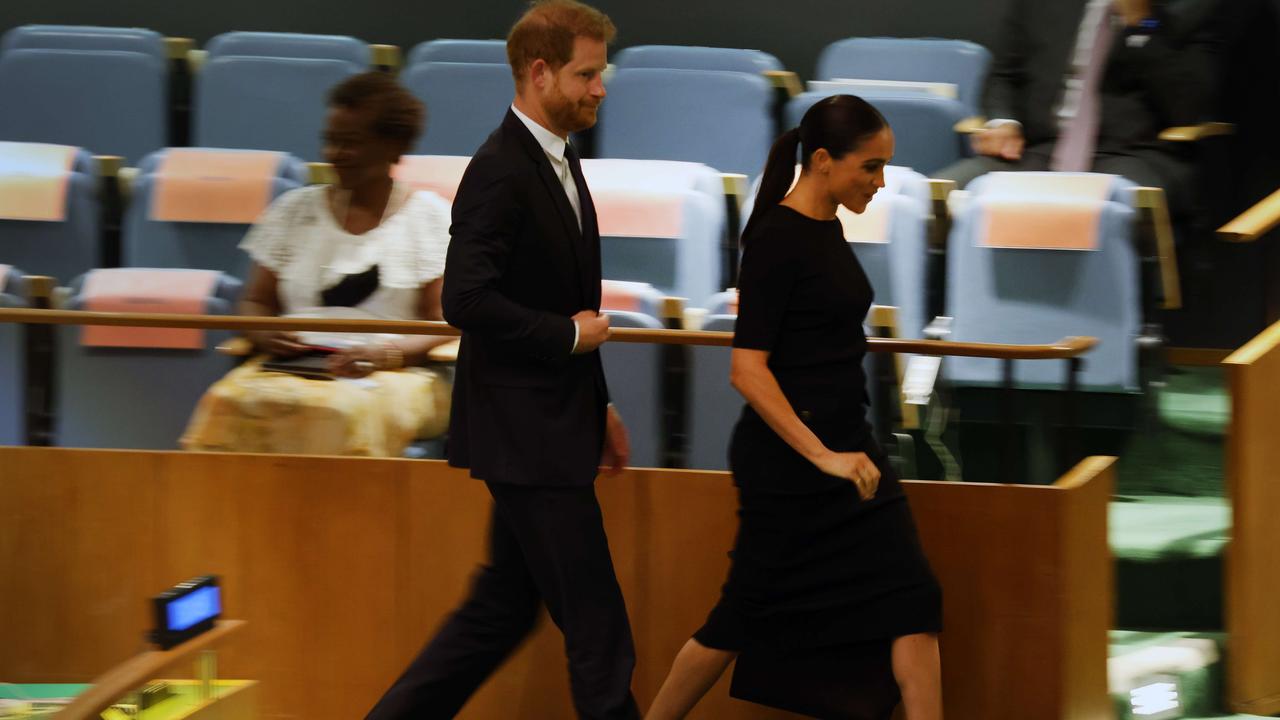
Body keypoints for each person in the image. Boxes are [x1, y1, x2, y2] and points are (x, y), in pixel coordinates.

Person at [364, 2, 638, 718]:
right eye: (586, 74)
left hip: (549, 426)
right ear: (539, 73)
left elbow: (574, 299)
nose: (599, 88)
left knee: (499, 612)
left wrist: (598, 402)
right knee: (599, 630)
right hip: (527, 437)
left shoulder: (555, 160)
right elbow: (466, 300)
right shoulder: (499, 169)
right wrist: (567, 340)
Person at [645, 96, 943, 720]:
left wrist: (842, 451)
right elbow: (746, 369)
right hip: (790, 463)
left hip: (846, 444)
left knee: (913, 601)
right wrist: (825, 457)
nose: (881, 182)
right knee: (739, 615)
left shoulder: (825, 225)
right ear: (825, 161)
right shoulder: (778, 238)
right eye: (871, 166)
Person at [182, 72, 453, 457]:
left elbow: (445, 320)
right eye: (331, 141)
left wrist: (387, 355)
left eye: (351, 143)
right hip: (297, 366)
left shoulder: (430, 217)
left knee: (339, 412)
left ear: (394, 148)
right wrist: (263, 334)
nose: (335, 154)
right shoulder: (293, 210)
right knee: (224, 403)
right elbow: (255, 302)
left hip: (394, 372)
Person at [937, 0, 1219, 216]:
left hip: (1130, 155)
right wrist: (1004, 122)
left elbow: (1186, 106)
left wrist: (1142, 23)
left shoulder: (1184, 10)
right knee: (938, 196)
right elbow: (1004, 75)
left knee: (1103, 214)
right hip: (1037, 151)